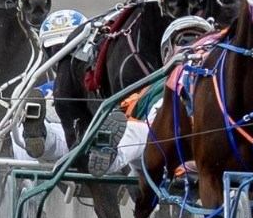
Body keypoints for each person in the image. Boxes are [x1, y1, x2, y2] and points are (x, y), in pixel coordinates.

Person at [87, 15, 216, 177]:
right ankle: (108, 155)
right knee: (133, 131)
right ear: (168, 52)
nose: (197, 46)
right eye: (187, 40)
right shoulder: (153, 85)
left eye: (205, 42)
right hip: (157, 140)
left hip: (207, 139)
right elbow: (126, 112)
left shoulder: (220, 81)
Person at [13, 9, 87, 162]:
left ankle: (40, 137)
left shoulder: (96, 84)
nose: (62, 57)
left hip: (87, 136)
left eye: (69, 50)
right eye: (57, 51)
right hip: (54, 146)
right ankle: (37, 134)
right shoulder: (37, 93)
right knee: (23, 126)